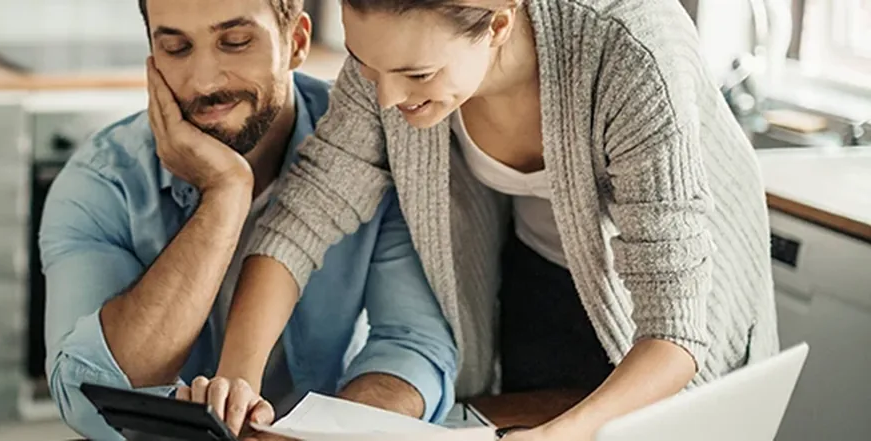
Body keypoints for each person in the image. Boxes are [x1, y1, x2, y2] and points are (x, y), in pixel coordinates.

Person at [187, 0, 781, 439]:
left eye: (417, 76)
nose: (388, 99)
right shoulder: (393, 61)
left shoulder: (631, 49)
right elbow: (304, 214)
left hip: (678, 310)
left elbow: (675, 328)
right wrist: (238, 378)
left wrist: (562, 434)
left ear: (498, 23)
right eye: (367, 66)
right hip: (539, 278)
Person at [39, 0, 459, 439]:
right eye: (176, 48)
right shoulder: (103, 181)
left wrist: (324, 433)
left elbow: (412, 345)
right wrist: (225, 196)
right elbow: (87, 398)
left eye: (235, 42)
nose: (204, 80)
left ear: (295, 42)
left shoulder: (371, 149)